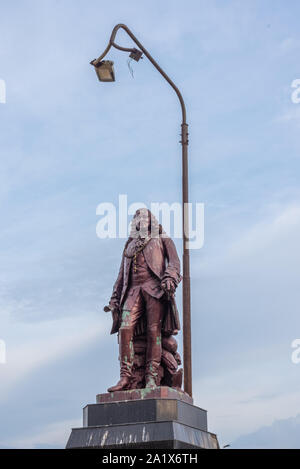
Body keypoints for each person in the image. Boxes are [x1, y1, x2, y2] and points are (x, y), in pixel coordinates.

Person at [107, 208, 181, 391]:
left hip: (154, 289)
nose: (140, 219)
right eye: (136, 217)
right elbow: (121, 275)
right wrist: (115, 298)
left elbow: (175, 263)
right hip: (132, 291)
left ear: (151, 221)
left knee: (153, 333)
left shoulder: (162, 238)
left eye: (144, 216)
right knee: (125, 329)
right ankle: (125, 377)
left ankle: (152, 378)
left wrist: (169, 278)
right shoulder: (129, 245)